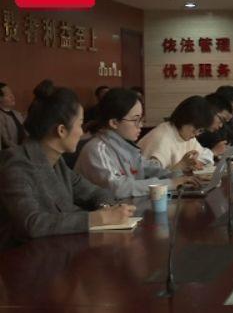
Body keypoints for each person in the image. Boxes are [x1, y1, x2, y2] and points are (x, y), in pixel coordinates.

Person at [0, 80, 134, 249]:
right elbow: (32, 224)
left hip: (56, 251)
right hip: (20, 258)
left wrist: (106, 209)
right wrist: (100, 218)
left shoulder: (57, 162)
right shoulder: (15, 164)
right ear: (61, 130)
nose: (82, 132)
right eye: (80, 124)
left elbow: (96, 192)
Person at [75, 89, 201, 199]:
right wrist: (171, 183)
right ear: (114, 123)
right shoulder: (98, 149)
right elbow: (118, 188)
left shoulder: (126, 146)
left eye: (141, 119)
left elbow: (152, 170)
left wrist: (180, 175)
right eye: (135, 120)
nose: (140, 125)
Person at [137, 96, 214, 169]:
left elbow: (206, 154)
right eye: (196, 129)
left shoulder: (185, 134)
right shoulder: (163, 138)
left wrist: (198, 161)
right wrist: (181, 166)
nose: (196, 134)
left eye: (200, 131)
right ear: (184, 119)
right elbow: (153, 175)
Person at [197, 92, 233, 157]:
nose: (221, 125)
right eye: (221, 119)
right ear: (209, 111)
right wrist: (213, 152)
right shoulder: (193, 132)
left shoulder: (203, 131)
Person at [0, 82, 27, 149]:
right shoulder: (1, 116)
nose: (12, 96)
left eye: (11, 93)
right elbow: (6, 141)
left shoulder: (17, 114)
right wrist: (20, 150)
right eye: (7, 95)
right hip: (11, 152)